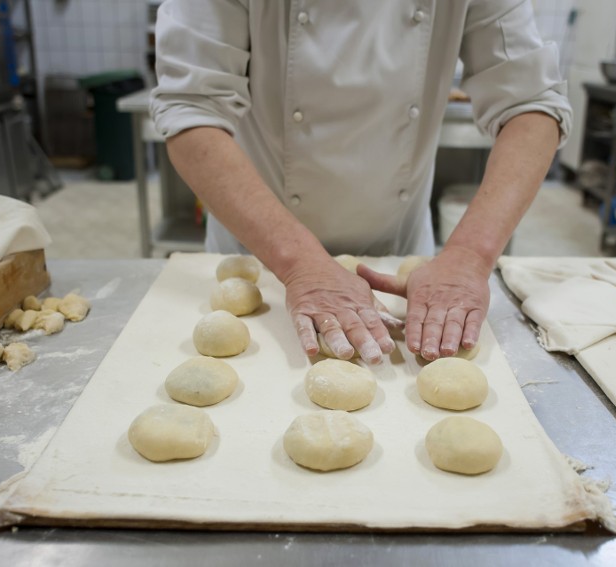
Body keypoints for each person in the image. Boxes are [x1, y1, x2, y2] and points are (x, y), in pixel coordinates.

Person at [151, 0, 571, 365]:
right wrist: (299, 265)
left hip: (398, 260)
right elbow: (192, 111)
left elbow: (531, 105)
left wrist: (470, 257)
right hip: (259, 263)